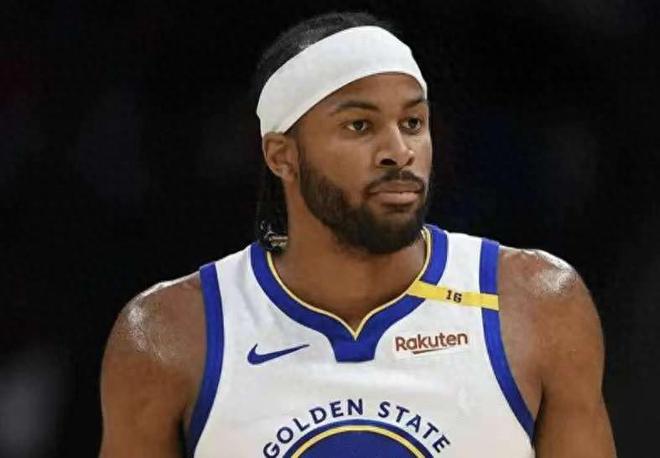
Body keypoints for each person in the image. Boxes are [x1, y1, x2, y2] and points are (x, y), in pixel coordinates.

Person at [99, 11, 616, 458]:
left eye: (413, 123)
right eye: (360, 127)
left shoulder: (535, 305)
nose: (399, 151)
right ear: (282, 156)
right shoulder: (169, 336)